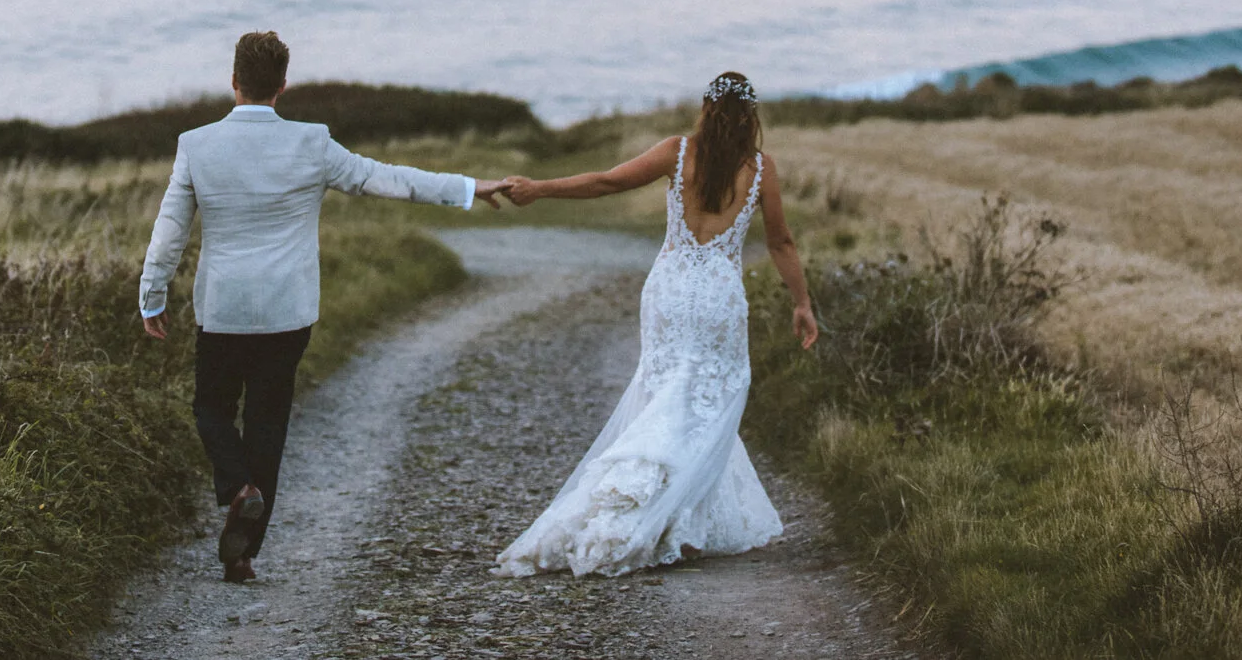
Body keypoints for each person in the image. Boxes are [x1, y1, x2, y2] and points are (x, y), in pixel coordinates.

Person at [138, 30, 515, 582]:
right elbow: (387, 180)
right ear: (282, 86)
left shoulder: (197, 144)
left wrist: (152, 293)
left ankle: (238, 488)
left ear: (234, 81)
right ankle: (242, 554)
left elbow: (170, 228)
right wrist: (466, 187)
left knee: (211, 409)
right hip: (288, 314)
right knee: (268, 426)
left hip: (224, 311)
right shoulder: (312, 143)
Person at [492, 71, 816, 577]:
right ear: (751, 118)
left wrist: (540, 188)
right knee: (710, 403)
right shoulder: (760, 169)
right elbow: (781, 242)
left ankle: (663, 513)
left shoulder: (677, 152)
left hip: (668, 289)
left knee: (663, 392)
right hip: (717, 297)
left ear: (706, 110)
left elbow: (606, 181)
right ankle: (673, 521)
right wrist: (802, 303)